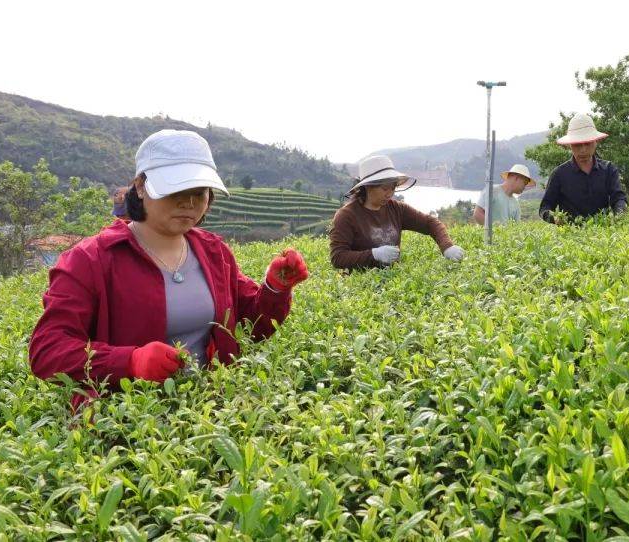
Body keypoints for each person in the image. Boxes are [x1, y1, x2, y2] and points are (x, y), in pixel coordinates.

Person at [29, 129, 309, 409]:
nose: (188, 202)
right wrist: (130, 362)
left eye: (198, 192)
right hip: (124, 424)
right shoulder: (90, 259)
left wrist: (275, 288)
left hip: (207, 413)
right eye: (175, 190)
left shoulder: (214, 252)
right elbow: (48, 350)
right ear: (140, 186)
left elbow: (248, 329)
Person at [329, 155, 465, 270]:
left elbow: (430, 223)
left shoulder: (397, 209)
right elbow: (338, 258)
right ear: (368, 187)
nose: (389, 194)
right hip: (359, 286)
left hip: (392, 279)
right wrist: (373, 255)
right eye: (384, 189)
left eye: (393, 188)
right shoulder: (347, 216)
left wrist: (447, 246)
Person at [539, 113, 628, 224]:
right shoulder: (559, 174)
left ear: (596, 142)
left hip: (603, 233)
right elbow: (545, 207)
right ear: (570, 145)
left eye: (587, 143)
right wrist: (554, 218)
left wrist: (619, 215)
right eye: (577, 145)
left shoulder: (609, 170)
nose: (583, 150)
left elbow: (619, 198)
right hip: (570, 236)